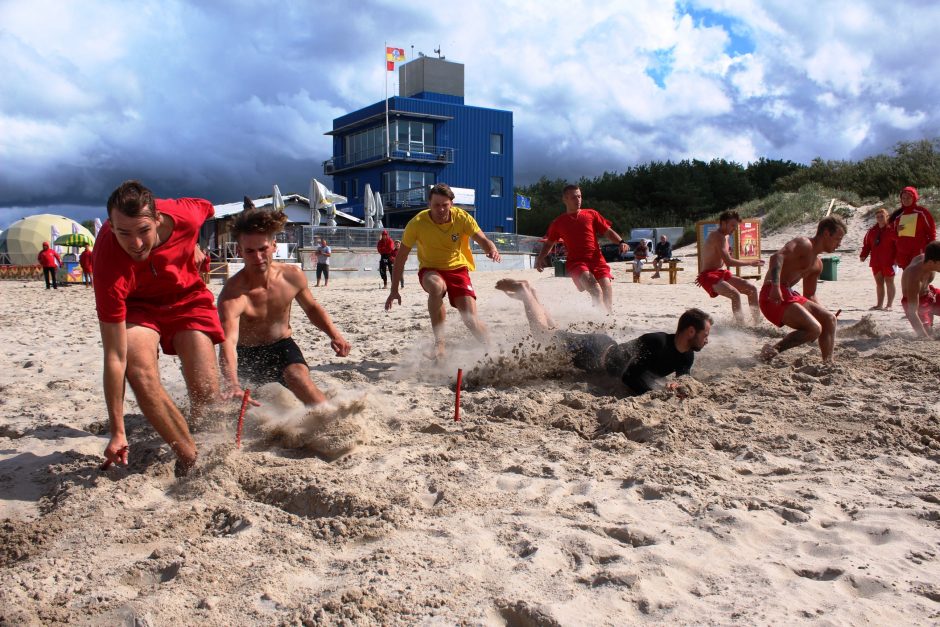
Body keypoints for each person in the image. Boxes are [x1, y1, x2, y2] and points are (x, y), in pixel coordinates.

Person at [93, 180, 225, 476]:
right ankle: (190, 458)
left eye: (143, 231)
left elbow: (210, 209)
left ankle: (201, 433)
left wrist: (195, 245)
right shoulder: (107, 262)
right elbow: (115, 357)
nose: (135, 244)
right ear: (111, 228)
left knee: (207, 397)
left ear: (158, 219)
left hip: (188, 298)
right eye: (123, 233)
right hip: (139, 306)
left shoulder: (186, 216)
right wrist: (117, 430)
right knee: (138, 370)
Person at [217, 206, 351, 405]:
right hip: (246, 354)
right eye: (250, 251)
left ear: (274, 246)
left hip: (282, 346)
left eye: (263, 249)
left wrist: (334, 334)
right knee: (251, 409)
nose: (258, 257)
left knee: (298, 377)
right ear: (239, 251)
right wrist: (233, 383)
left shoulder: (292, 276)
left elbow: (311, 308)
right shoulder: (232, 294)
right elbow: (228, 342)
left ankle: (330, 420)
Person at [495, 278, 711, 395]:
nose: (707, 340)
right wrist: (657, 390)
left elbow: (684, 376)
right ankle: (525, 292)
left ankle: (533, 296)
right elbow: (629, 376)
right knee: (543, 335)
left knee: (554, 333)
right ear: (690, 331)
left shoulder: (687, 355)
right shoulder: (657, 342)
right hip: (594, 350)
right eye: (705, 334)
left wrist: (678, 385)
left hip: (602, 348)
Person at [385, 183, 501, 360]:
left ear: (451, 204)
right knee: (436, 287)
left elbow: (483, 239)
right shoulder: (417, 223)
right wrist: (394, 290)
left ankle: (494, 352)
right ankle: (439, 344)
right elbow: (400, 258)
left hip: (458, 269)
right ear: (428, 205)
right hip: (430, 269)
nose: (440, 209)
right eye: (436, 205)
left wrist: (491, 250)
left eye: (445, 205)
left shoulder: (462, 218)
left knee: (470, 319)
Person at [758, 215, 846, 362]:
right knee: (814, 328)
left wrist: (822, 312)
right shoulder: (804, 244)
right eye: (838, 238)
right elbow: (776, 257)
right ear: (826, 233)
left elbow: (810, 295)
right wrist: (775, 287)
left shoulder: (817, 264)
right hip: (771, 295)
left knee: (829, 319)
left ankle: (828, 363)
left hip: (789, 294)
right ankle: (774, 350)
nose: (839, 244)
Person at [534, 185, 629, 314]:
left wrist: (621, 242)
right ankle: (599, 322)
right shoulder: (558, 222)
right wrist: (540, 258)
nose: (578, 200)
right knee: (596, 291)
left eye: (579, 196)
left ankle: (608, 319)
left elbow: (607, 231)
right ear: (565, 199)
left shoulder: (591, 214)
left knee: (606, 288)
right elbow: (550, 242)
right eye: (573, 197)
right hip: (577, 262)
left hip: (597, 260)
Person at [697, 210, 765, 325]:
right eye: (733, 225)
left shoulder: (726, 236)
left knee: (751, 289)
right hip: (709, 275)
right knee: (735, 294)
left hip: (720, 272)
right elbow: (729, 261)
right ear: (723, 223)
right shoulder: (717, 236)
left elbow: (721, 258)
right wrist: (750, 262)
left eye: (736, 226)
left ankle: (757, 323)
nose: (735, 229)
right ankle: (741, 326)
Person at [899, 241, 940, 338]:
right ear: (931, 262)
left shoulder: (929, 259)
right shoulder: (915, 277)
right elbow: (912, 312)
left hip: (930, 293)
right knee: (926, 333)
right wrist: (926, 339)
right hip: (916, 303)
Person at [859, 207, 898, 310]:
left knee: (889, 282)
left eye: (882, 216)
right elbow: (867, 245)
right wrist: (863, 255)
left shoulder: (892, 230)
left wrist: (897, 258)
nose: (880, 218)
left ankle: (889, 305)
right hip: (876, 261)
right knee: (879, 283)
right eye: (877, 217)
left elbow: (899, 245)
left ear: (887, 217)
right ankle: (879, 305)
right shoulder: (872, 231)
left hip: (889, 261)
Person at [890, 186, 935, 269]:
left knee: (920, 277)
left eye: (908, 197)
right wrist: (896, 231)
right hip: (903, 252)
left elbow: (931, 232)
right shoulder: (897, 215)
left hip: (918, 250)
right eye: (903, 198)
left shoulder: (922, 212)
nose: (906, 200)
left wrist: (931, 249)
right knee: (908, 279)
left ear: (914, 197)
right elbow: (891, 235)